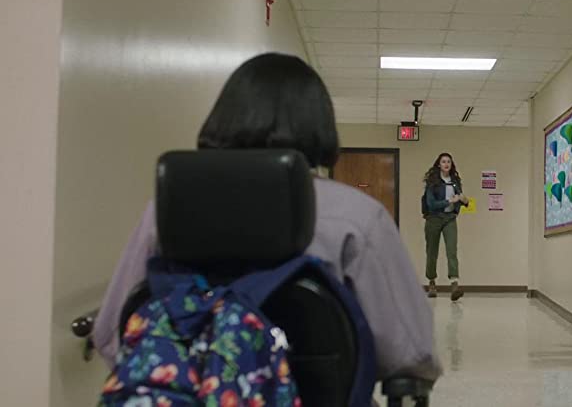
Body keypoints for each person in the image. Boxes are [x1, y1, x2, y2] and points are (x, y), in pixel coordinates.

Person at [92, 53, 442, 384]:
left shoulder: (167, 210)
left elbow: (111, 334)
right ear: (319, 124)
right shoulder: (357, 217)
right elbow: (411, 354)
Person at [422, 153, 469, 301]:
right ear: (439, 165)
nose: (446, 164)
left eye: (448, 161)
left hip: (450, 218)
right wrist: (449, 201)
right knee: (432, 252)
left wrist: (464, 200)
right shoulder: (432, 182)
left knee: (451, 250)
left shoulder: (455, 182)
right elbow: (431, 203)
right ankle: (431, 283)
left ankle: (454, 284)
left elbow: (461, 200)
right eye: (443, 162)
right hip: (433, 218)